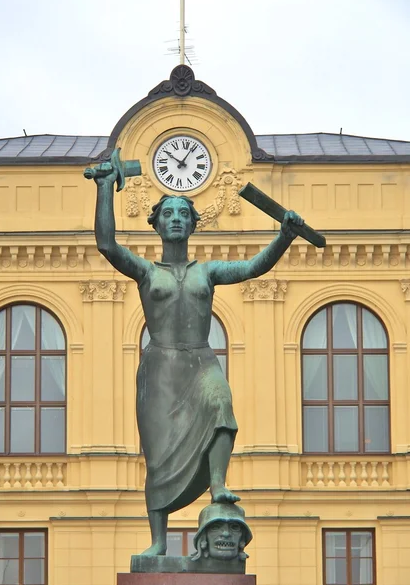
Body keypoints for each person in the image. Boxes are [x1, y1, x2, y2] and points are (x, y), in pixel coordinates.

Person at [89, 155, 303, 556]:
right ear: (155, 224)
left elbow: (254, 267)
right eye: (167, 213)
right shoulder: (146, 271)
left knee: (221, 400)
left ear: (192, 224)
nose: (174, 219)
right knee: (158, 454)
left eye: (182, 214)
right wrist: (104, 189)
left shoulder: (208, 272)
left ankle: (219, 483)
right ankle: (158, 542)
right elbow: (106, 244)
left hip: (201, 360)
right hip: (161, 369)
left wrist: (284, 237)